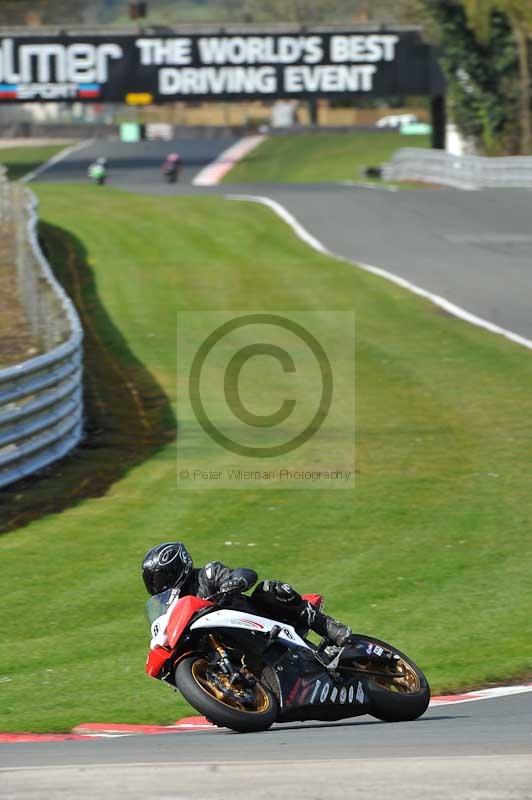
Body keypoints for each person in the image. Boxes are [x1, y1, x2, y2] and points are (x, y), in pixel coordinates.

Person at [142, 541, 352, 648]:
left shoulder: (207, 574)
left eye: (161, 578)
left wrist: (235, 582)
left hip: (257, 622)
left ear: (178, 567)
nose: (158, 585)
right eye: (152, 582)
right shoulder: (174, 605)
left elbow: (245, 574)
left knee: (268, 589)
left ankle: (328, 627)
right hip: (226, 642)